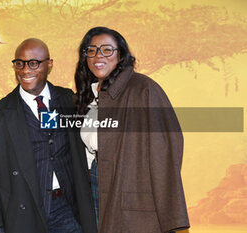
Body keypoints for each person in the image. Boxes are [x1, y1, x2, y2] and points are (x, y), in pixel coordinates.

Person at [0, 38, 97, 233]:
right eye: (19, 63)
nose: (25, 70)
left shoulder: (69, 101)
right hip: (25, 214)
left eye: (33, 63)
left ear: (49, 64)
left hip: (68, 211)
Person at [75, 27, 190, 233]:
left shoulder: (143, 89)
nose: (98, 56)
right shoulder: (90, 95)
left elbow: (166, 148)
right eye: (91, 50)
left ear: (120, 55)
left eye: (107, 50)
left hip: (130, 186)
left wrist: (166, 205)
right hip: (95, 180)